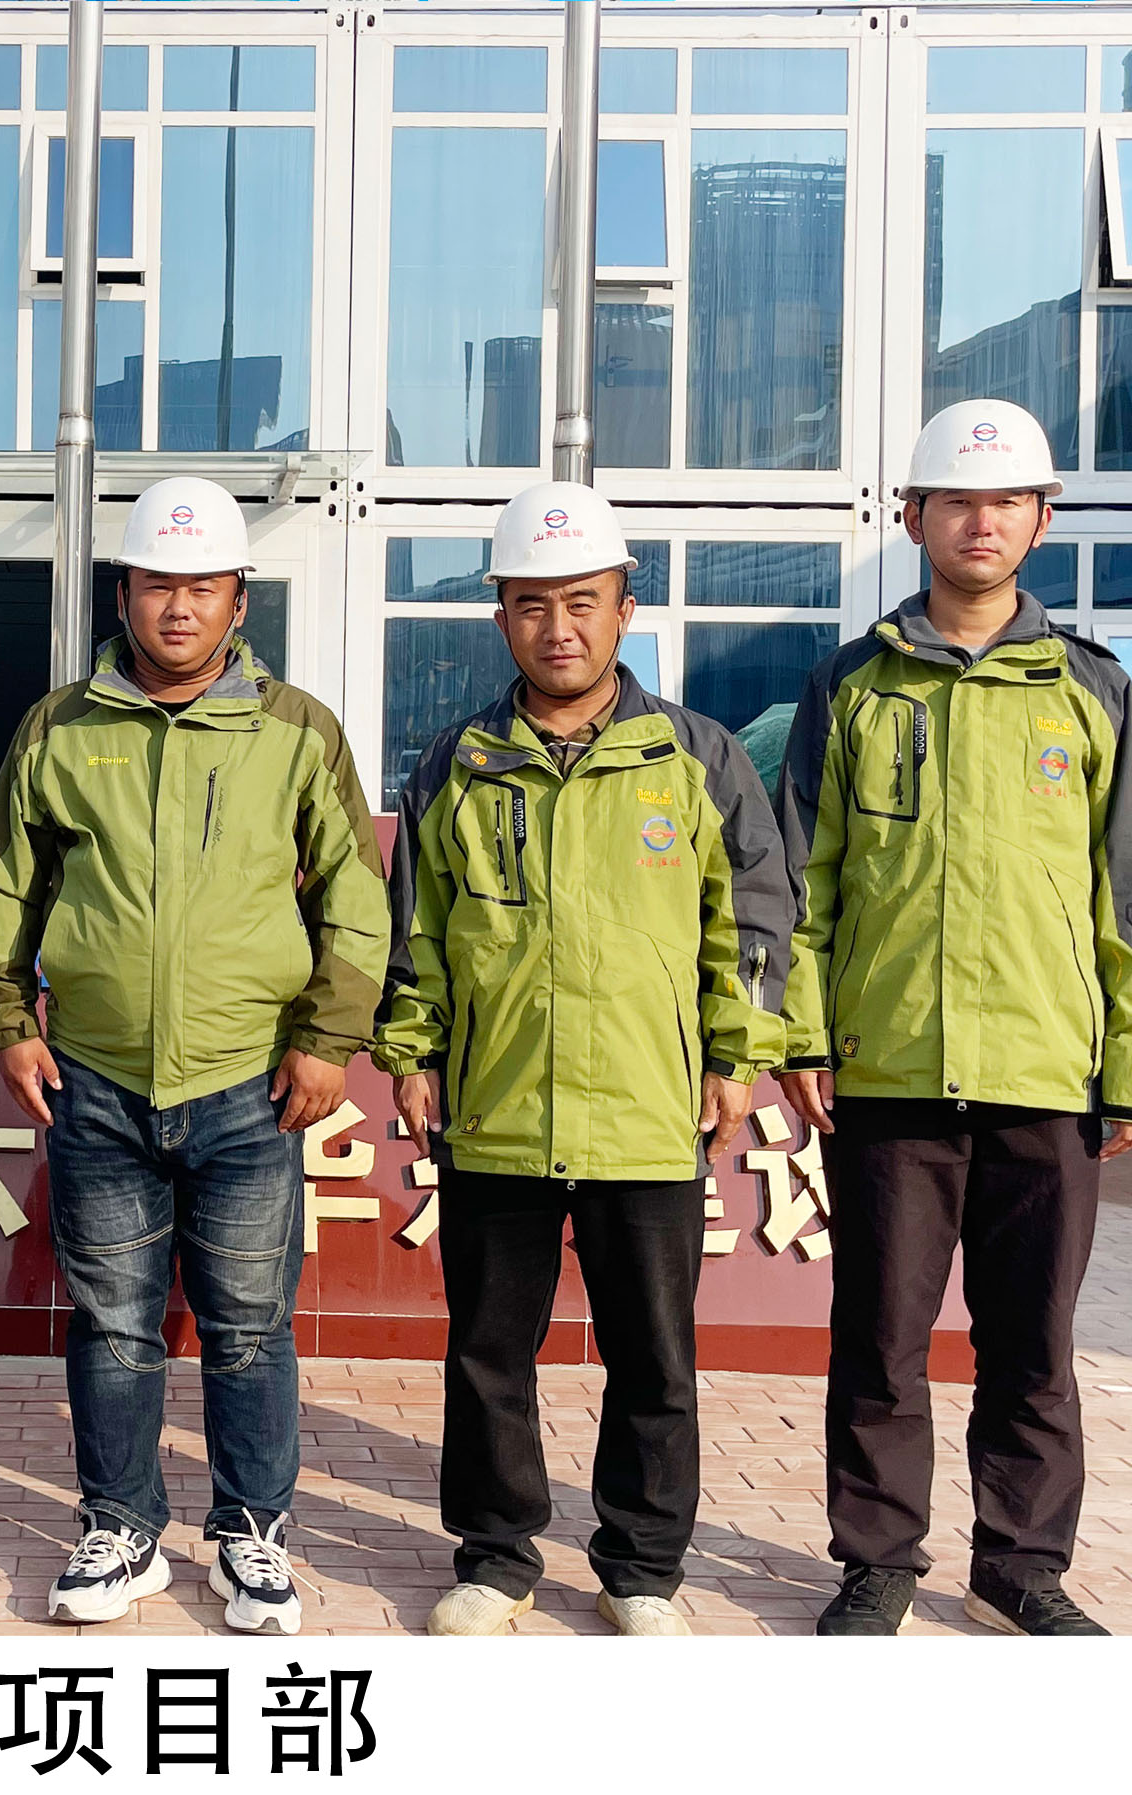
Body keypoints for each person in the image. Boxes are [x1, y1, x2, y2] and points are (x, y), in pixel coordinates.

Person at [0, 477, 388, 1635]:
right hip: (96, 1076)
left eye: (203, 586)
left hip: (250, 1081)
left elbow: (354, 898)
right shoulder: (60, 728)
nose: (179, 607)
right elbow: (5, 884)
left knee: (247, 1324)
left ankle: (252, 1533)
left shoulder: (296, 730)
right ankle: (120, 1528)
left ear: (239, 599)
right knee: (112, 1322)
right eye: (158, 585)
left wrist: (329, 1040)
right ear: (124, 595)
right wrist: (5, 1018)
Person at [376, 482, 790, 1637]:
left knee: (652, 1358)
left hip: (648, 1110)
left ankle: (640, 1568)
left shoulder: (695, 756)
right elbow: (417, 927)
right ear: (500, 616)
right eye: (530, 604)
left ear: (623, 609)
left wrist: (733, 1054)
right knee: (488, 1354)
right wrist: (411, 1049)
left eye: (580, 602)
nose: (556, 627)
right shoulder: (457, 764)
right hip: (496, 1107)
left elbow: (751, 920)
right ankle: (495, 1555)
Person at [779, 399, 1132, 1637]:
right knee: (880, 1340)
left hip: (1046, 1069)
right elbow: (805, 881)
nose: (980, 521)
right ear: (911, 517)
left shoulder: (1091, 689)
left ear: (1040, 521)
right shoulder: (850, 684)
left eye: (1005, 502)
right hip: (888, 1066)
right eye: (956, 500)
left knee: (1033, 1344)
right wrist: (799, 1033)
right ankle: (875, 1561)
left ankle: (1020, 1566)